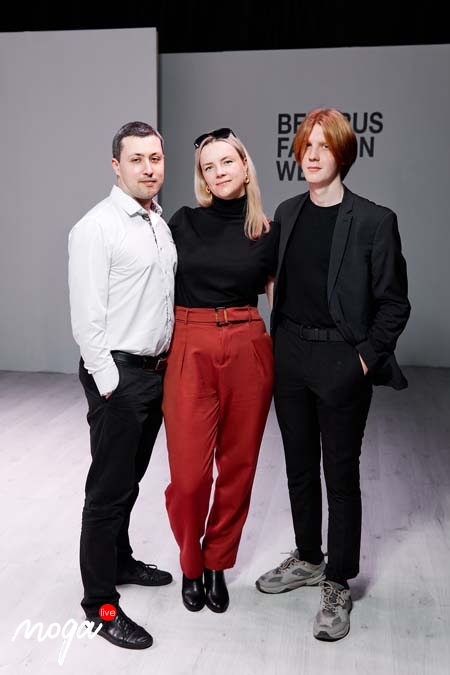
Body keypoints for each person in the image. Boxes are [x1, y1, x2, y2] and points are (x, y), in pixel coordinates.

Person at [255, 108, 411, 641]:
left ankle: (338, 582)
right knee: (298, 467)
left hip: (342, 361)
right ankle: (307, 557)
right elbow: (273, 275)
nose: (313, 155)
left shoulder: (373, 220)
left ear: (342, 154)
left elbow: (394, 304)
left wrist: (362, 359)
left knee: (339, 476)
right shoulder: (288, 211)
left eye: (324, 146)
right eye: (307, 146)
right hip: (291, 357)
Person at [68, 121, 177, 650]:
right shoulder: (97, 227)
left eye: (155, 158)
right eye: (136, 159)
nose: (148, 168)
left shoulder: (158, 222)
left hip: (153, 374)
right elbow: (87, 318)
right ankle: (100, 606)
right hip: (119, 375)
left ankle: (121, 560)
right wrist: (110, 383)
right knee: (107, 493)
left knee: (129, 481)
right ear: (116, 165)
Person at [162, 127, 279, 614]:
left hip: (248, 341)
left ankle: (217, 562)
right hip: (190, 343)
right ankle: (191, 562)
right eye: (208, 167)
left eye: (227, 162)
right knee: (189, 478)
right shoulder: (182, 222)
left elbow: (279, 300)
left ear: (245, 166)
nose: (218, 172)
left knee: (238, 467)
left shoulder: (266, 231)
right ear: (202, 178)